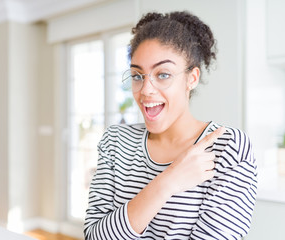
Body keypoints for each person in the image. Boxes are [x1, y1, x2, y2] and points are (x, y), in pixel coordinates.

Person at [84, 11, 257, 240]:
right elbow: (94, 236)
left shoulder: (227, 149)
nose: (146, 90)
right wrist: (169, 181)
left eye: (163, 74)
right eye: (137, 75)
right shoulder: (115, 142)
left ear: (191, 78)